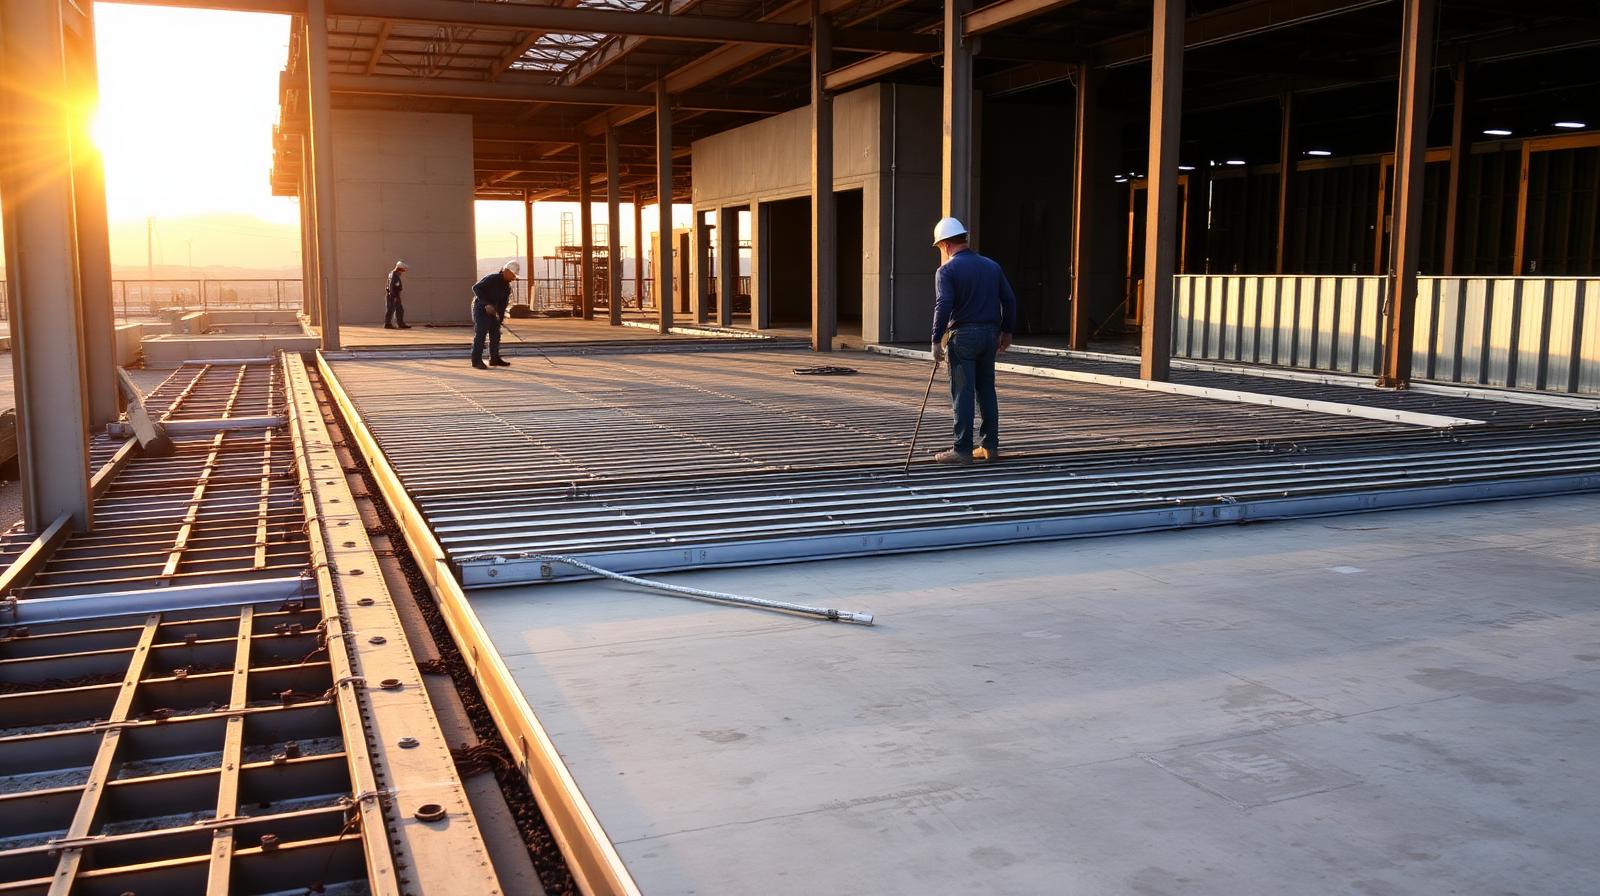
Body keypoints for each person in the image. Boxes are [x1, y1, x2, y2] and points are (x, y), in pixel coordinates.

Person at [929, 216, 1016, 464]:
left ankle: (962, 449)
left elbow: (944, 304)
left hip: (963, 336)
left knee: (962, 392)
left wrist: (936, 339)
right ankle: (990, 446)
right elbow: (1009, 300)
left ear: (945, 244)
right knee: (986, 389)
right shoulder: (991, 266)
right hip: (990, 335)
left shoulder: (946, 270)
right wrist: (1007, 331)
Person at [471, 260, 520, 369]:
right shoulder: (492, 279)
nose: (513, 278)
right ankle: (476, 361)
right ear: (506, 271)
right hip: (481, 308)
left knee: (495, 334)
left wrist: (499, 318)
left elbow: (503, 304)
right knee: (481, 333)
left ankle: (494, 359)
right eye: (513, 275)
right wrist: (486, 304)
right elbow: (476, 288)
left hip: (494, 310)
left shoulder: (506, 287)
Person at [384, 260, 411, 329]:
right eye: (403, 269)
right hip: (393, 295)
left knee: (399, 309)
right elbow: (391, 286)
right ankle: (387, 324)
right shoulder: (393, 275)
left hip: (395, 295)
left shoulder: (394, 274)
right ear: (399, 268)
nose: (404, 271)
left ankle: (400, 323)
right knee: (390, 309)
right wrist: (393, 296)